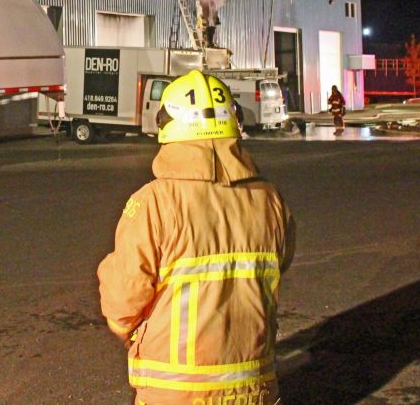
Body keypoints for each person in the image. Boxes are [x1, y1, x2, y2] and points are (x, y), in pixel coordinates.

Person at [98, 70, 295, 405]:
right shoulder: (270, 199)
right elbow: (280, 261)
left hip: (176, 390)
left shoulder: (154, 202)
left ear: (167, 125)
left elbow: (123, 296)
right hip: (255, 386)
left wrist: (132, 333)